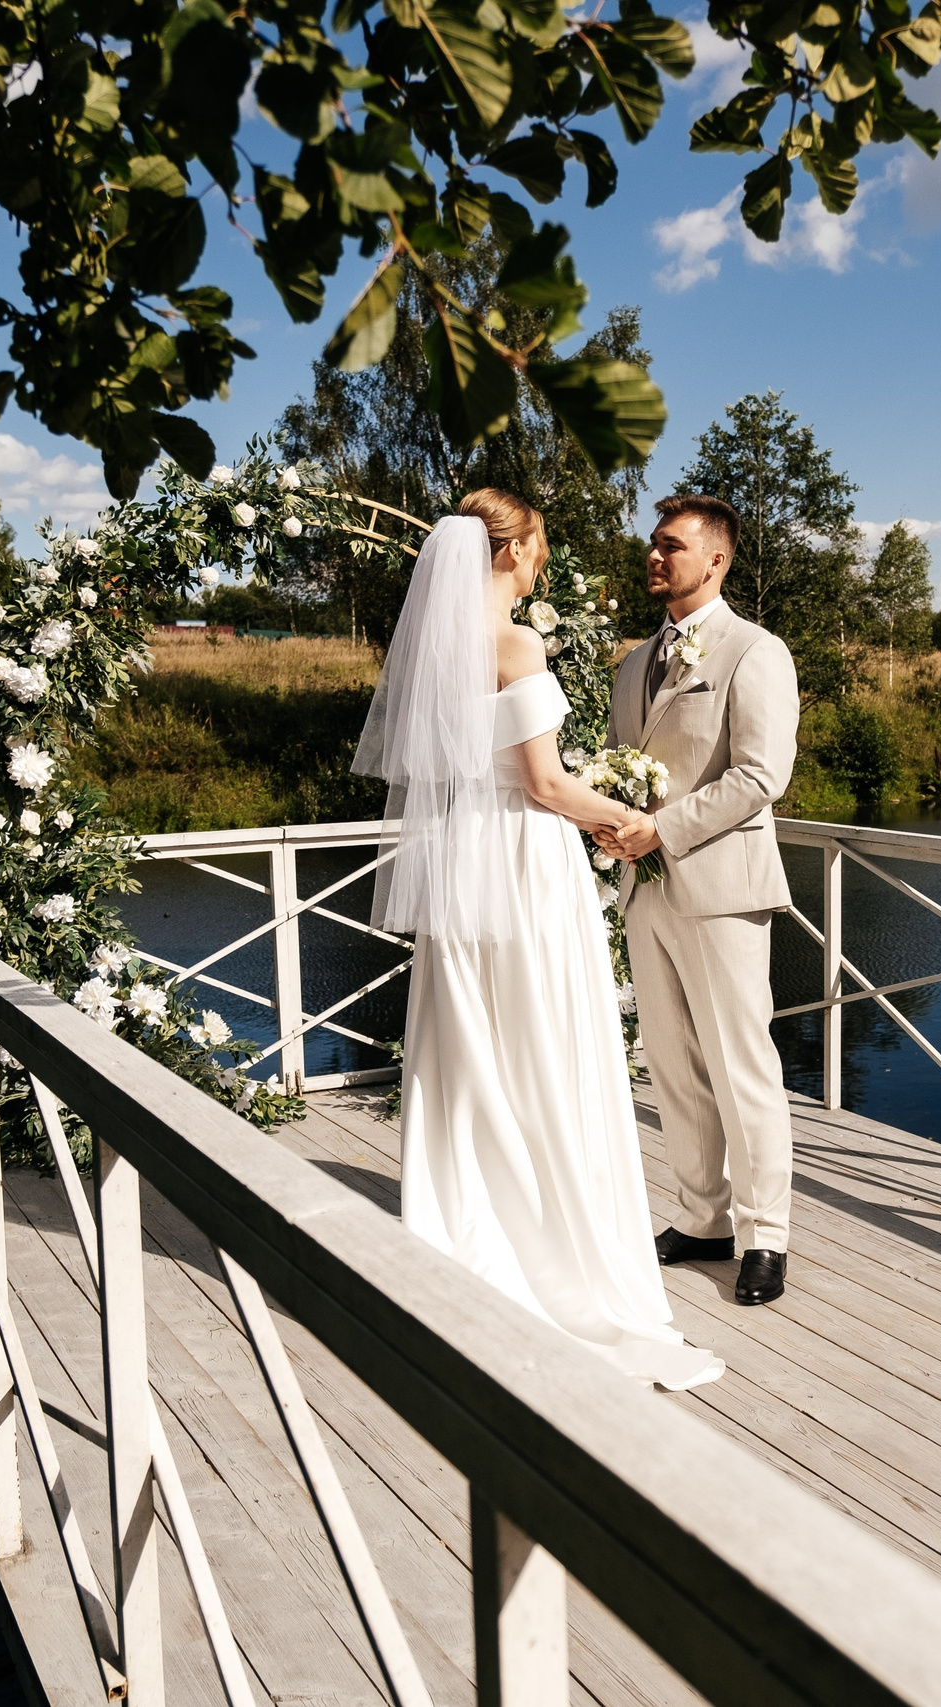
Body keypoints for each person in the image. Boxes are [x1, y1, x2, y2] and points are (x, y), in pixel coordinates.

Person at [353, 491, 723, 1391]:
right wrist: (625, 816)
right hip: (521, 861)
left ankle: (460, 1224)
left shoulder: (435, 652)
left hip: (461, 860)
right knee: (544, 1042)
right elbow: (546, 785)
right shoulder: (515, 644)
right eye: (540, 546)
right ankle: (551, 1241)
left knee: (470, 1044)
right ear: (511, 551)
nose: (544, 561)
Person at [596, 495, 801, 1306]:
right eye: (652, 543)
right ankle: (702, 1217)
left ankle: (765, 1235)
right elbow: (617, 761)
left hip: (721, 889)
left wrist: (661, 828)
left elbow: (760, 776)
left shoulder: (756, 652)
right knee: (672, 1062)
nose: (655, 555)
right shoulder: (632, 663)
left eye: (671, 545)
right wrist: (613, 823)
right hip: (646, 891)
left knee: (741, 1067)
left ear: (716, 558)